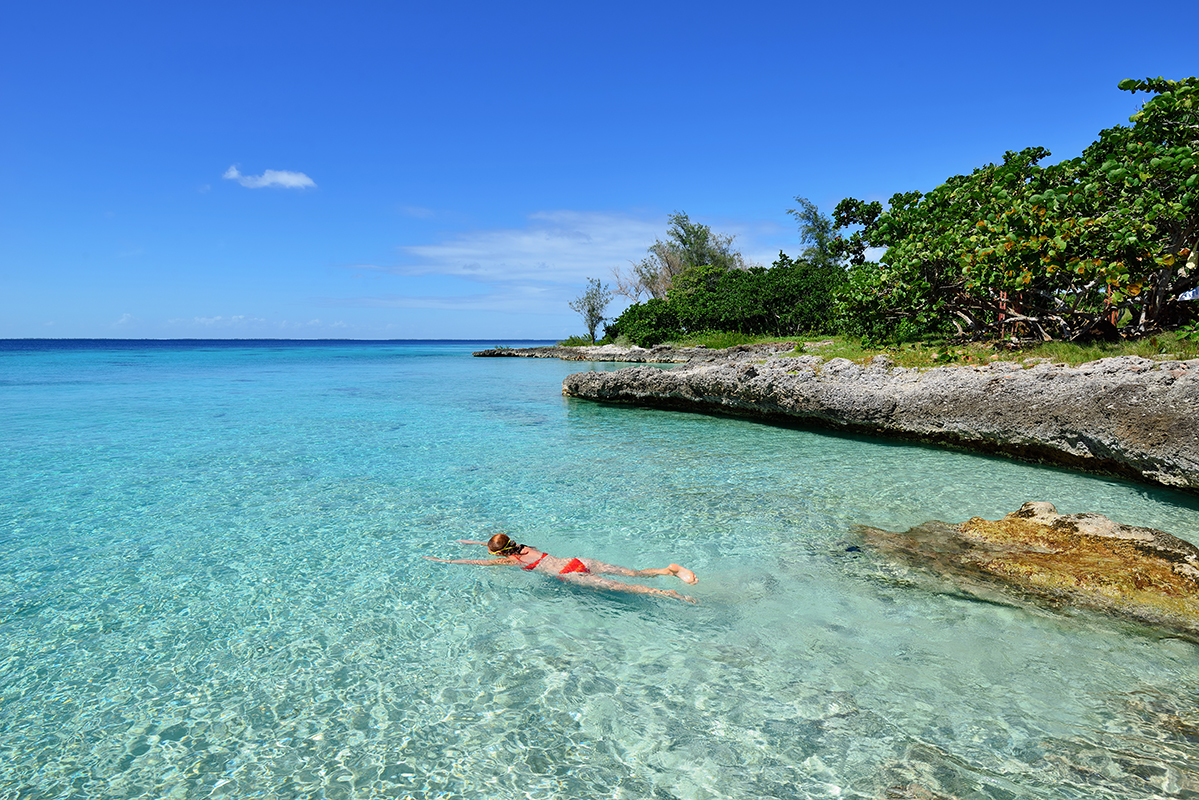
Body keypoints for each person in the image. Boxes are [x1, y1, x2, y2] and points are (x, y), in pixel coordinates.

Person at [425, 533, 699, 604]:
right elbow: (493, 544)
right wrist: (471, 540)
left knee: (630, 589)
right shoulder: (523, 547)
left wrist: (446, 561)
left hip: (572, 575)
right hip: (579, 561)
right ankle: (667, 570)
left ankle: (674, 596)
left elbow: (479, 562)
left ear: (501, 553)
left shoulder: (510, 560)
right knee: (633, 574)